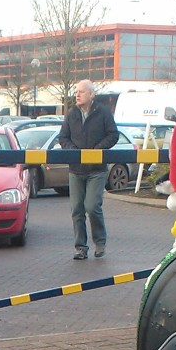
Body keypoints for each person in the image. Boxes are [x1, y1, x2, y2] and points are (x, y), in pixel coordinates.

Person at [58, 79, 118, 259]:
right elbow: (63, 137)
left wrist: (97, 150)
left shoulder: (103, 113)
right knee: (77, 209)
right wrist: (73, 152)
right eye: (76, 91)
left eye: (81, 92)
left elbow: (113, 135)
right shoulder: (71, 114)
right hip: (75, 170)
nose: (77, 95)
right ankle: (80, 248)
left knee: (92, 206)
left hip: (96, 170)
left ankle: (100, 243)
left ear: (91, 94)